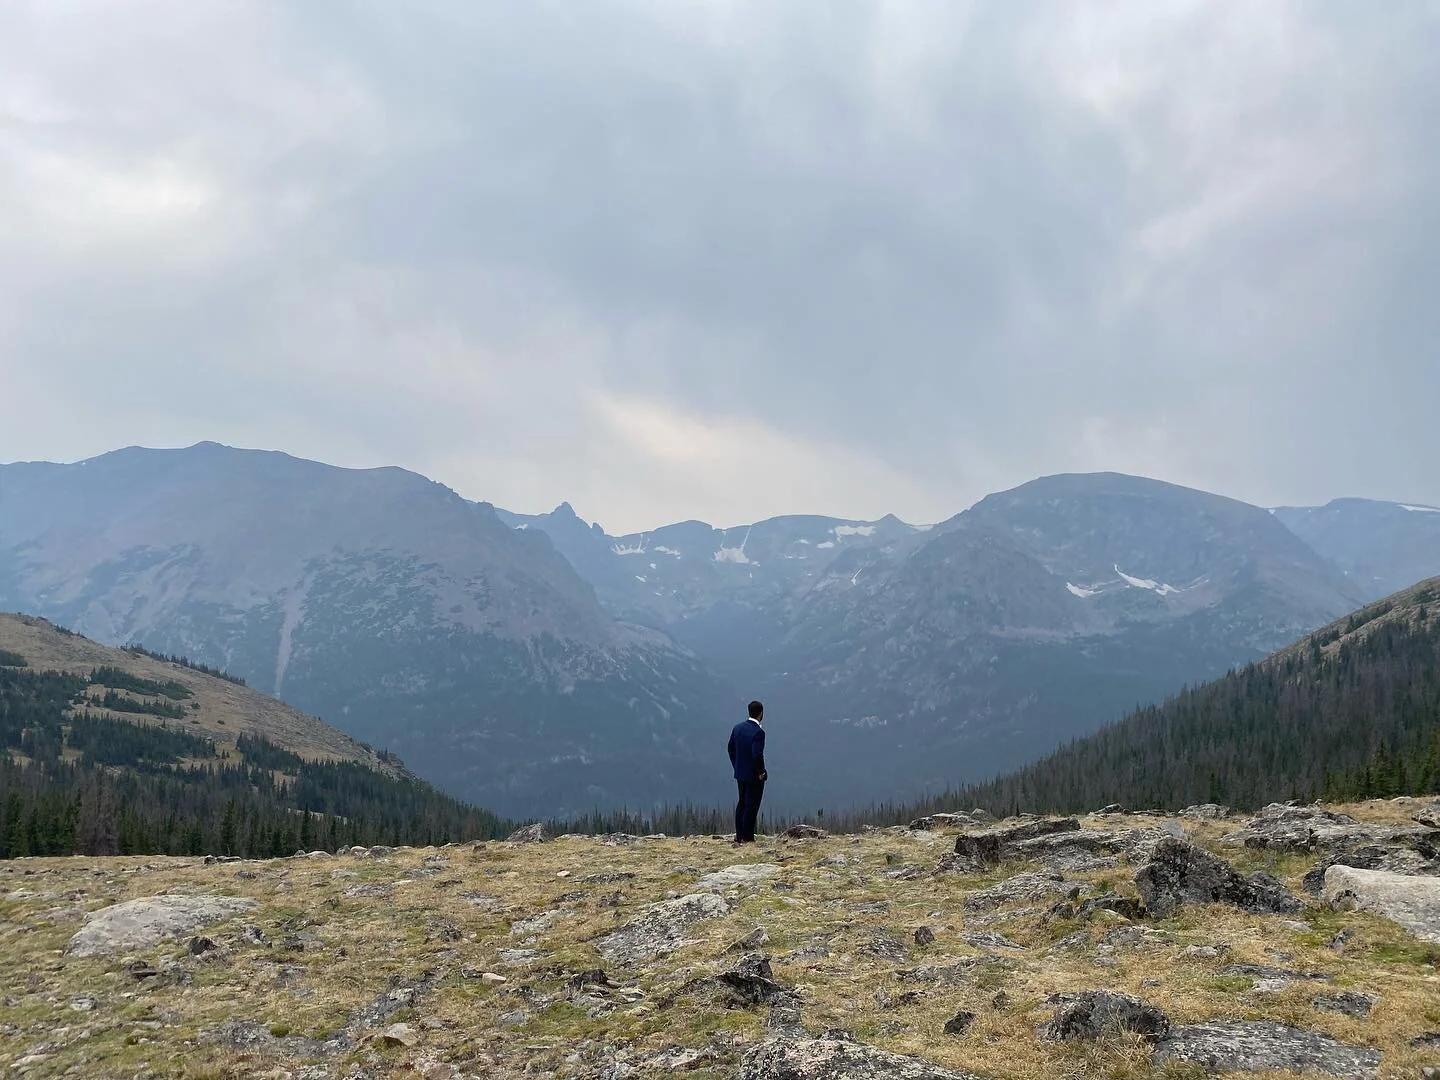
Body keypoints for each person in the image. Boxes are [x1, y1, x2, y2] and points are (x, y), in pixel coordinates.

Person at [728, 700, 767, 843]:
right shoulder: (758, 733)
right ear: (761, 713)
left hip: (740, 773)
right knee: (752, 805)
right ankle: (748, 837)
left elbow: (730, 749)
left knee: (742, 803)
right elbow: (757, 754)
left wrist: (736, 766)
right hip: (753, 776)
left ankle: (739, 836)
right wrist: (761, 772)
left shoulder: (737, 728)